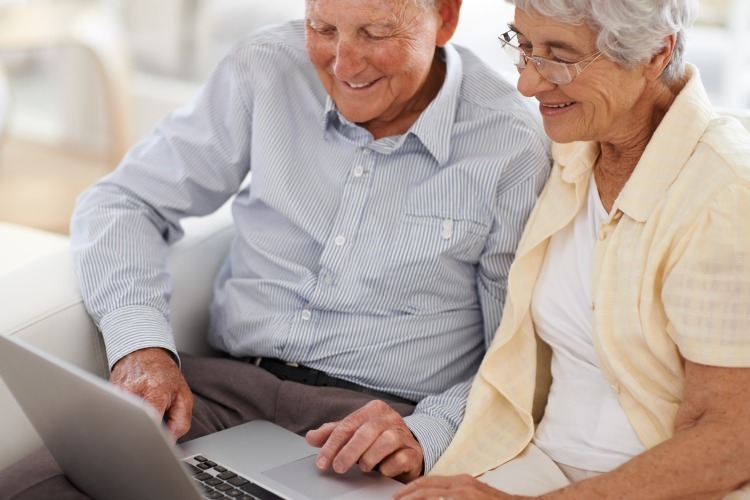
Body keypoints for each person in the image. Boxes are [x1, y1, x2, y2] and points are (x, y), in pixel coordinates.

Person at [0, 0, 551, 497]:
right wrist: (141, 347)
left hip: (366, 428)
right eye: (323, 27)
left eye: (377, 32)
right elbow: (123, 201)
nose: (344, 64)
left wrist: (424, 434)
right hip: (217, 392)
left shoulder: (509, 144)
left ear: (446, 18)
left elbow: (515, 349)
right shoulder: (265, 67)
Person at [396, 0, 750, 498]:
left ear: (654, 52)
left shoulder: (726, 195)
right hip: (536, 458)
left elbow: (732, 438)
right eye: (523, 47)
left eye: (560, 56)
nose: (528, 82)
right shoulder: (574, 146)